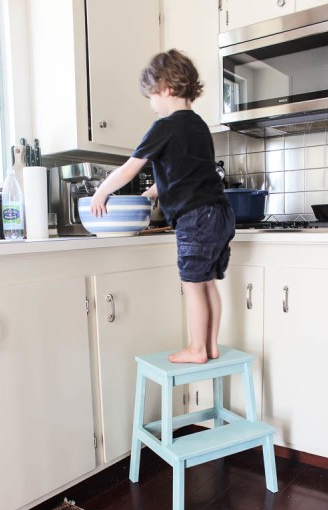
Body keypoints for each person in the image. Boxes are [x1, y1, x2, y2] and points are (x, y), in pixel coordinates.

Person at [91, 49, 235, 364]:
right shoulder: (199, 126)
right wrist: (153, 194)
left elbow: (130, 168)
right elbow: (187, 173)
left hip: (195, 216)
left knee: (192, 284)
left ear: (165, 88)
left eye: (151, 96)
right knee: (207, 281)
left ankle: (196, 349)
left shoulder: (164, 126)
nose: (151, 104)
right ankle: (210, 346)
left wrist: (101, 192)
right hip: (220, 213)